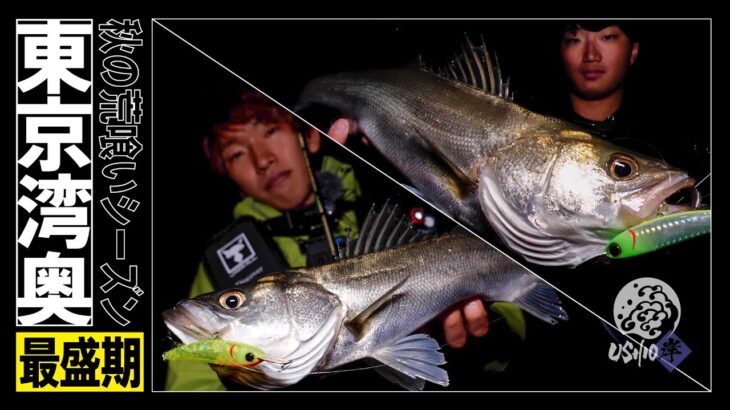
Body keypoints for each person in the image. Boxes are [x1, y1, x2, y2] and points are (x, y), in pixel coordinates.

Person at [166, 90, 489, 390]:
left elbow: (504, 264)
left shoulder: (393, 191)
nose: (262, 159)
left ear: (308, 136)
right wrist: (240, 377)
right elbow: (190, 381)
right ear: (233, 182)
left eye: (270, 132)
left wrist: (495, 334)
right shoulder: (223, 264)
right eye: (236, 153)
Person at [556, 21, 640, 141]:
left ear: (633, 51)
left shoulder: (662, 144)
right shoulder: (534, 128)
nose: (591, 56)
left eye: (607, 37)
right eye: (575, 40)